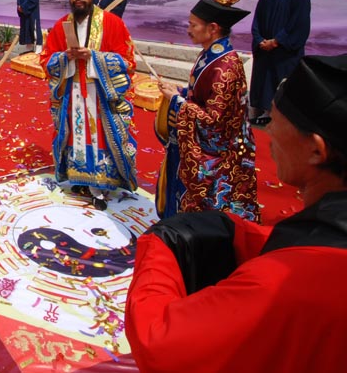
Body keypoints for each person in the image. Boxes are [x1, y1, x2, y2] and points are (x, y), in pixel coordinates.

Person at [126, 54, 347, 373]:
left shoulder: (281, 286)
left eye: (272, 120)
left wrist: (160, 248)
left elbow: (159, 342)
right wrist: (245, 237)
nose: (267, 132)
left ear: (316, 150)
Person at [156, 0, 259, 221]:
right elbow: (202, 96)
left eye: (193, 25)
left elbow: (213, 121)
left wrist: (176, 101)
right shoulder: (211, 54)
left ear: (212, 28)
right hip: (212, 143)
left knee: (210, 211)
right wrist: (180, 92)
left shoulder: (225, 67)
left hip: (218, 154)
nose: (189, 29)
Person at [39, 0, 137, 210]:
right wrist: (65, 58)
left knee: (98, 138)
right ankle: (79, 178)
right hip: (71, 92)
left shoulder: (113, 23)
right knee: (75, 136)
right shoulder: (62, 25)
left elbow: (127, 61)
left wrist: (93, 57)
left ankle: (100, 187)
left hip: (99, 93)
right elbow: (46, 58)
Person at [249, 0, 311, 126]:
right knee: (262, 79)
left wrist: (276, 41)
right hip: (264, 47)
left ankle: (279, 115)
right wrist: (259, 38)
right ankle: (261, 110)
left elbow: (298, 23)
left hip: (283, 49)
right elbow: (257, 19)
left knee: (281, 81)